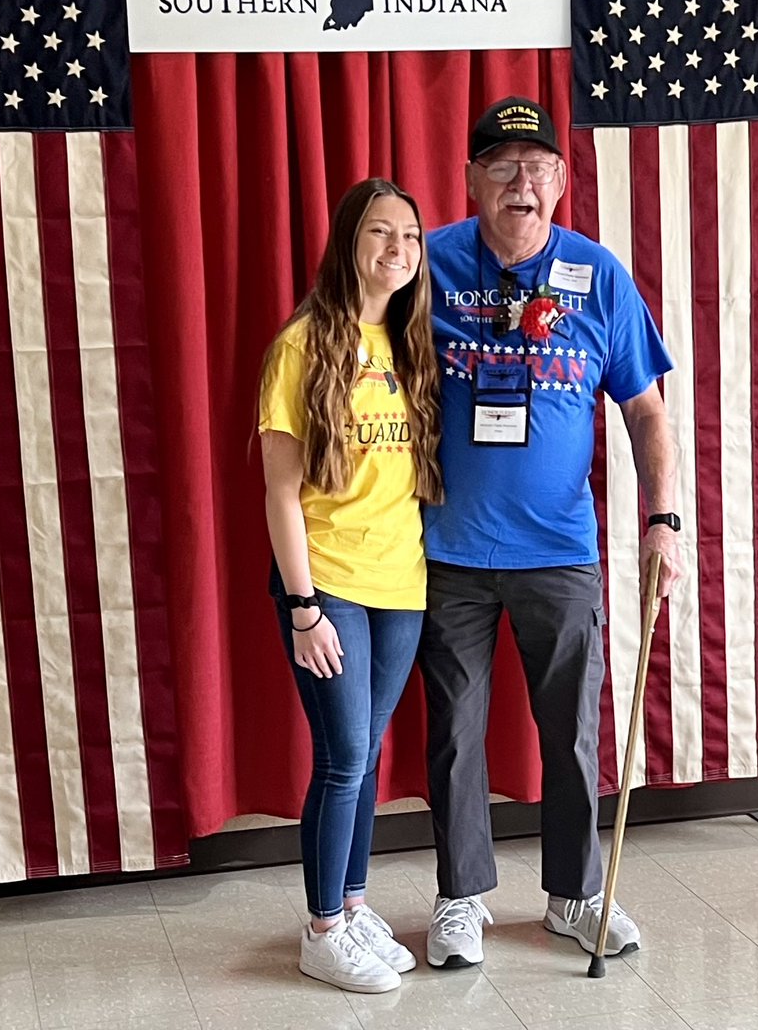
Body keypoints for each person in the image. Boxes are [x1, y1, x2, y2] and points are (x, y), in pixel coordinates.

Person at [418, 97, 683, 968]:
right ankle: (461, 901)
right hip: (447, 550)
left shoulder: (597, 275)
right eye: (500, 166)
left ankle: (573, 895)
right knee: (455, 732)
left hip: (561, 552)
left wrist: (662, 521)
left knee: (570, 731)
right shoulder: (429, 266)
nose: (519, 183)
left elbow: (646, 412)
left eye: (536, 169)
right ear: (470, 181)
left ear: (560, 184)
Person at [259, 177, 443, 994]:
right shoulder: (303, 344)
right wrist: (302, 608)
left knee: (365, 754)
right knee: (340, 758)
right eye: (378, 232)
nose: (395, 248)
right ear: (348, 243)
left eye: (408, 235)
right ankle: (322, 929)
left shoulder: (411, 343)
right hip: (327, 582)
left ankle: (353, 902)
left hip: (399, 581)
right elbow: (277, 491)